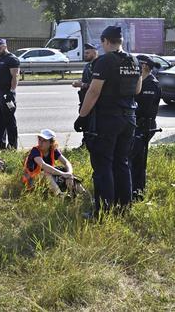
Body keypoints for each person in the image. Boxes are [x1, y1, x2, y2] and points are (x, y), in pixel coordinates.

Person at [74, 25, 142, 216]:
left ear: (105, 41)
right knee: (122, 163)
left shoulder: (104, 61)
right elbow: (136, 90)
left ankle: (102, 211)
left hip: (107, 119)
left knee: (103, 165)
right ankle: (123, 208)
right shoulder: (134, 60)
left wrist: (82, 116)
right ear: (120, 41)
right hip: (129, 118)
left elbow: (94, 91)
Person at [129, 55, 162, 200]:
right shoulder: (141, 81)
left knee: (136, 160)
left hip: (144, 127)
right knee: (133, 159)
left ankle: (137, 192)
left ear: (144, 66)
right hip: (137, 125)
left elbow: (144, 109)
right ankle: (133, 190)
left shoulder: (150, 84)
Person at [21, 129, 79, 196]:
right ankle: (60, 195)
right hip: (31, 181)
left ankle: (79, 193)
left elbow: (67, 163)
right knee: (46, 173)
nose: (40, 142)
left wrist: (69, 174)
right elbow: (44, 166)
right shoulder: (35, 151)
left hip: (46, 179)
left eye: (44, 141)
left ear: (51, 143)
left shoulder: (53, 150)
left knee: (66, 170)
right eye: (39, 139)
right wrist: (63, 174)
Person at [0, 39, 20, 149]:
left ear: (5, 46)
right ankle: (0, 144)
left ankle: (13, 145)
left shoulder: (12, 59)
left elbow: (15, 76)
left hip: (7, 93)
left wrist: (11, 91)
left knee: (9, 119)